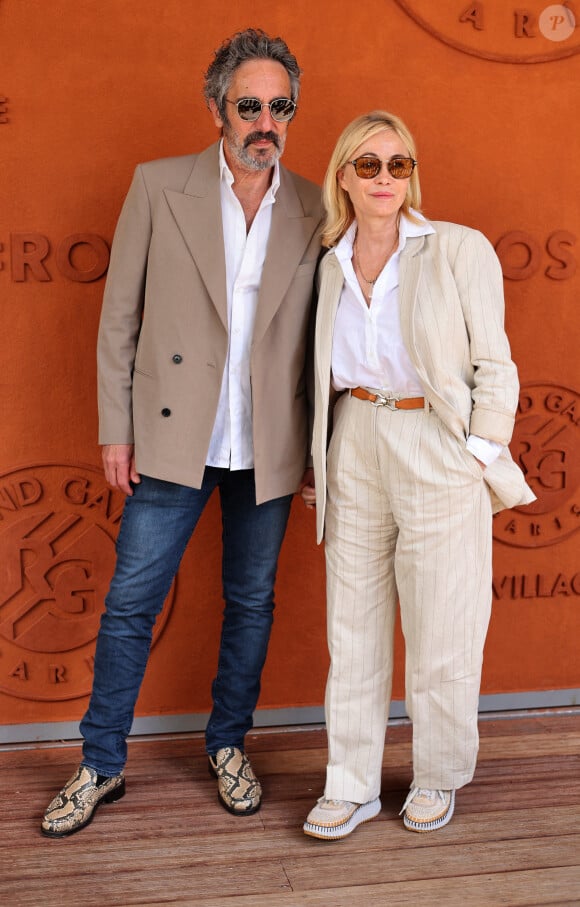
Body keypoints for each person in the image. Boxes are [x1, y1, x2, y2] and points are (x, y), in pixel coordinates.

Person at [41, 28, 322, 838]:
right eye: (249, 105)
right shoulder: (158, 186)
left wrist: (316, 450)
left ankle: (229, 743)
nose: (264, 121)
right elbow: (119, 317)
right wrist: (115, 428)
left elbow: (320, 340)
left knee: (251, 603)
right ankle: (101, 761)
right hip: (171, 438)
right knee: (131, 601)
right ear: (217, 110)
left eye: (280, 106)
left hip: (266, 442)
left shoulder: (311, 203)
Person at [300, 111, 535, 840]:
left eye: (397, 165)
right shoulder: (326, 258)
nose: (383, 179)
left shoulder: (457, 250)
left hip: (435, 440)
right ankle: (351, 783)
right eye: (367, 165)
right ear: (343, 174)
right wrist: (317, 458)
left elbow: (495, 364)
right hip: (357, 436)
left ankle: (436, 774)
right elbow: (313, 372)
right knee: (352, 622)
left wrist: (474, 452)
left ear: (412, 175)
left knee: (443, 627)